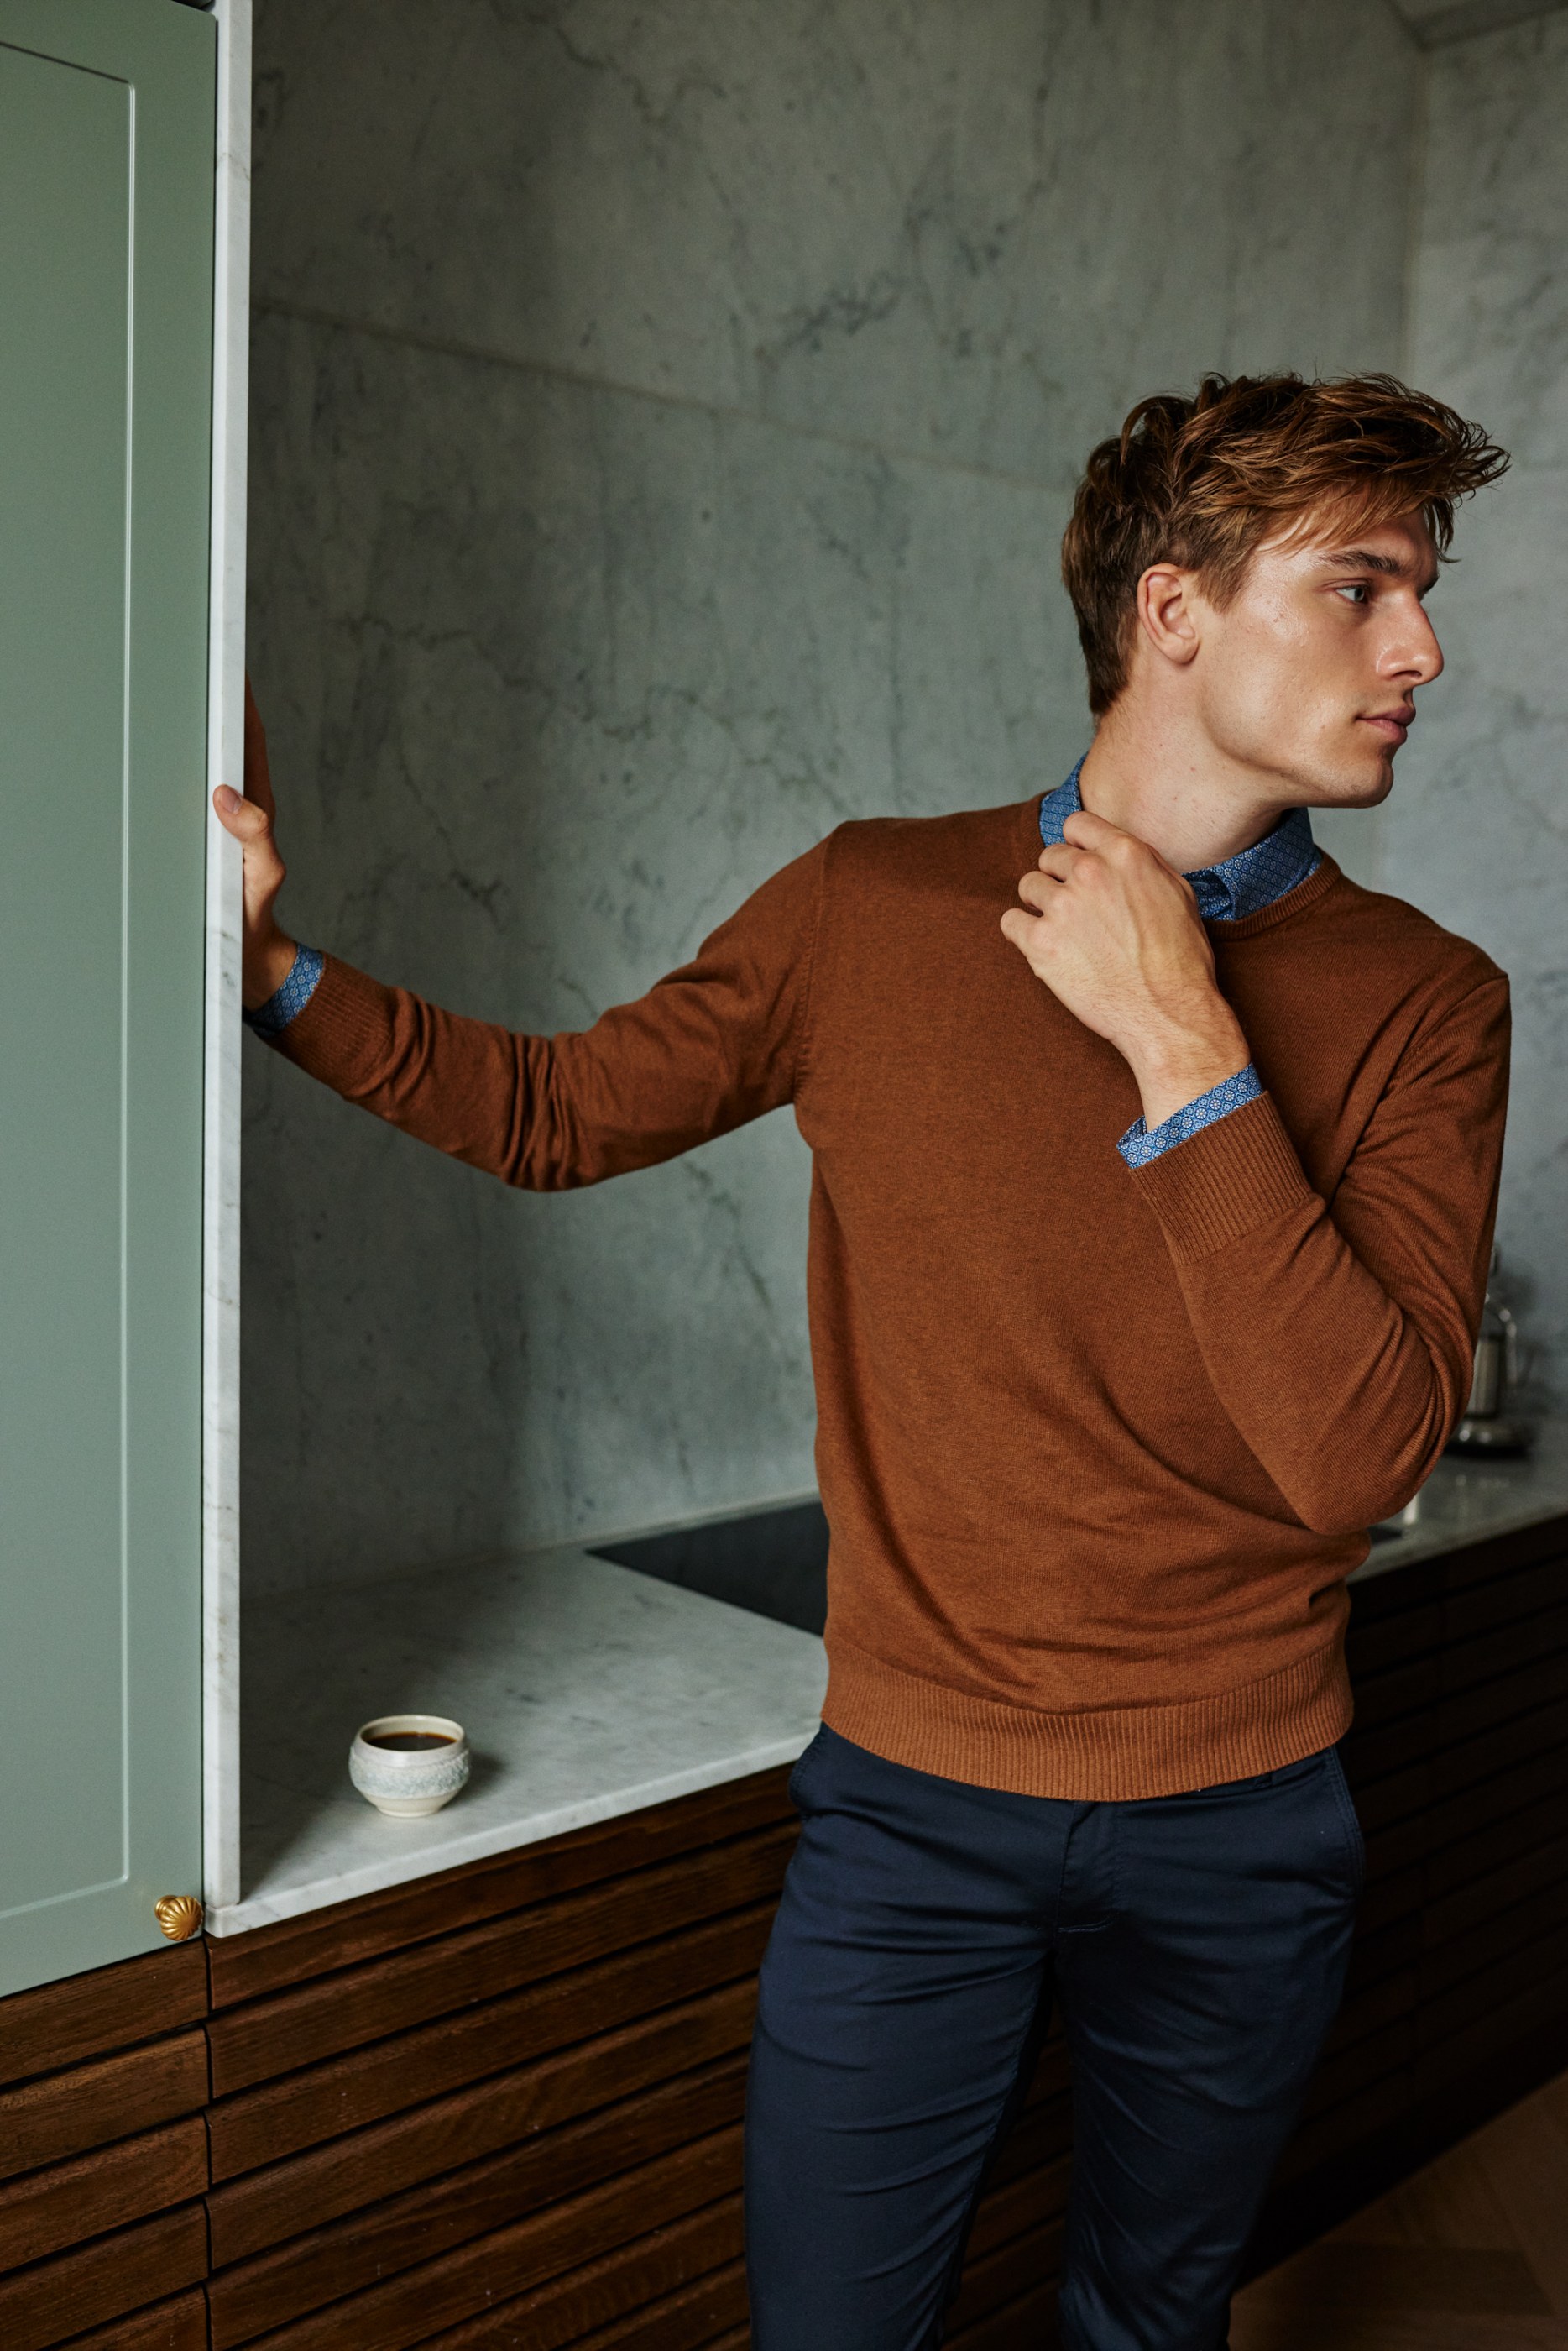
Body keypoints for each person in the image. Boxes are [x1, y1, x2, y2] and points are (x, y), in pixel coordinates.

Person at [217, 373, 1511, 2350]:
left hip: (1248, 1810)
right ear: (1173, 613)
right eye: (1360, 586)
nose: (1420, 646)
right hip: (912, 1807)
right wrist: (268, 971)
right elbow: (557, 1114)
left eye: (1422, 590)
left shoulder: (1429, 1002)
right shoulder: (875, 903)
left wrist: (1184, 1041)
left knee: (1147, 2319)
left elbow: (1359, 1457)